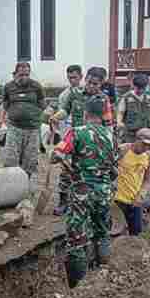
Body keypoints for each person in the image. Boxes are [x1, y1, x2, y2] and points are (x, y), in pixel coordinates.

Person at [52, 95, 118, 288]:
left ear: (86, 113)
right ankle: (102, 274)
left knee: (76, 238)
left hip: (82, 192)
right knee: (102, 232)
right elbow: (114, 169)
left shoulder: (77, 132)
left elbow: (56, 155)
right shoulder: (111, 136)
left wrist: (67, 166)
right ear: (102, 114)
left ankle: (79, 287)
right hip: (104, 192)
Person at [0, 61, 46, 177]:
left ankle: (26, 182)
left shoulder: (36, 86)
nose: (24, 77)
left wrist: (44, 117)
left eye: (27, 74)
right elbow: (5, 105)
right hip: (14, 128)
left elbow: (42, 105)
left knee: (30, 161)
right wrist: (1, 119)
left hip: (33, 129)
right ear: (15, 74)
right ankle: (12, 182)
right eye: (21, 75)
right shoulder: (8, 87)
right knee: (10, 159)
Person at [53, 65, 84, 215]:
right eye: (70, 77)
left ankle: (81, 201)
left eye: (75, 77)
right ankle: (63, 201)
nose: (72, 80)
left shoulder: (87, 94)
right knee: (65, 169)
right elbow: (62, 114)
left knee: (83, 170)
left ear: (81, 77)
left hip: (84, 138)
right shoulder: (64, 95)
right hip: (68, 136)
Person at [117, 73, 150, 187]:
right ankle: (126, 180)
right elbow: (120, 112)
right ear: (133, 85)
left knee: (149, 155)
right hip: (131, 133)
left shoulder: (148, 98)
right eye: (138, 88)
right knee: (128, 156)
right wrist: (120, 122)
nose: (140, 90)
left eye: (143, 88)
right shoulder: (126, 98)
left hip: (146, 133)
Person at [115, 128, 150, 236]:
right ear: (137, 140)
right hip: (117, 200)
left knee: (136, 233)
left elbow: (147, 179)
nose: (146, 147)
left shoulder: (149, 156)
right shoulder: (123, 150)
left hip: (135, 200)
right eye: (144, 144)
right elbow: (109, 170)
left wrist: (141, 195)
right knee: (117, 232)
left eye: (149, 145)